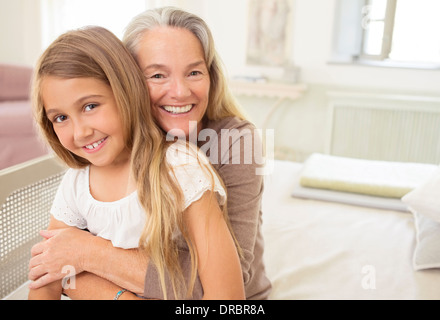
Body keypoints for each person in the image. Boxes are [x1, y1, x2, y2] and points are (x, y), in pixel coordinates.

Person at [29, 7, 272, 300]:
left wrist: (88, 253)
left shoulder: (226, 146)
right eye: (157, 75)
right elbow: (57, 267)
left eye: (194, 72)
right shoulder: (93, 167)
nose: (180, 92)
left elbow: (227, 288)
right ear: (127, 81)